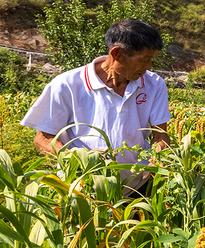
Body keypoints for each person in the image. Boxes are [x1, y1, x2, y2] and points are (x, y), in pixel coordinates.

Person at [21, 19, 170, 195]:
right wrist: (77, 156)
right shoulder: (67, 85)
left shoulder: (154, 84)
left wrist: (156, 158)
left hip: (137, 188)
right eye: (144, 60)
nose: (148, 67)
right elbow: (42, 139)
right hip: (83, 187)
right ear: (117, 53)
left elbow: (160, 135)